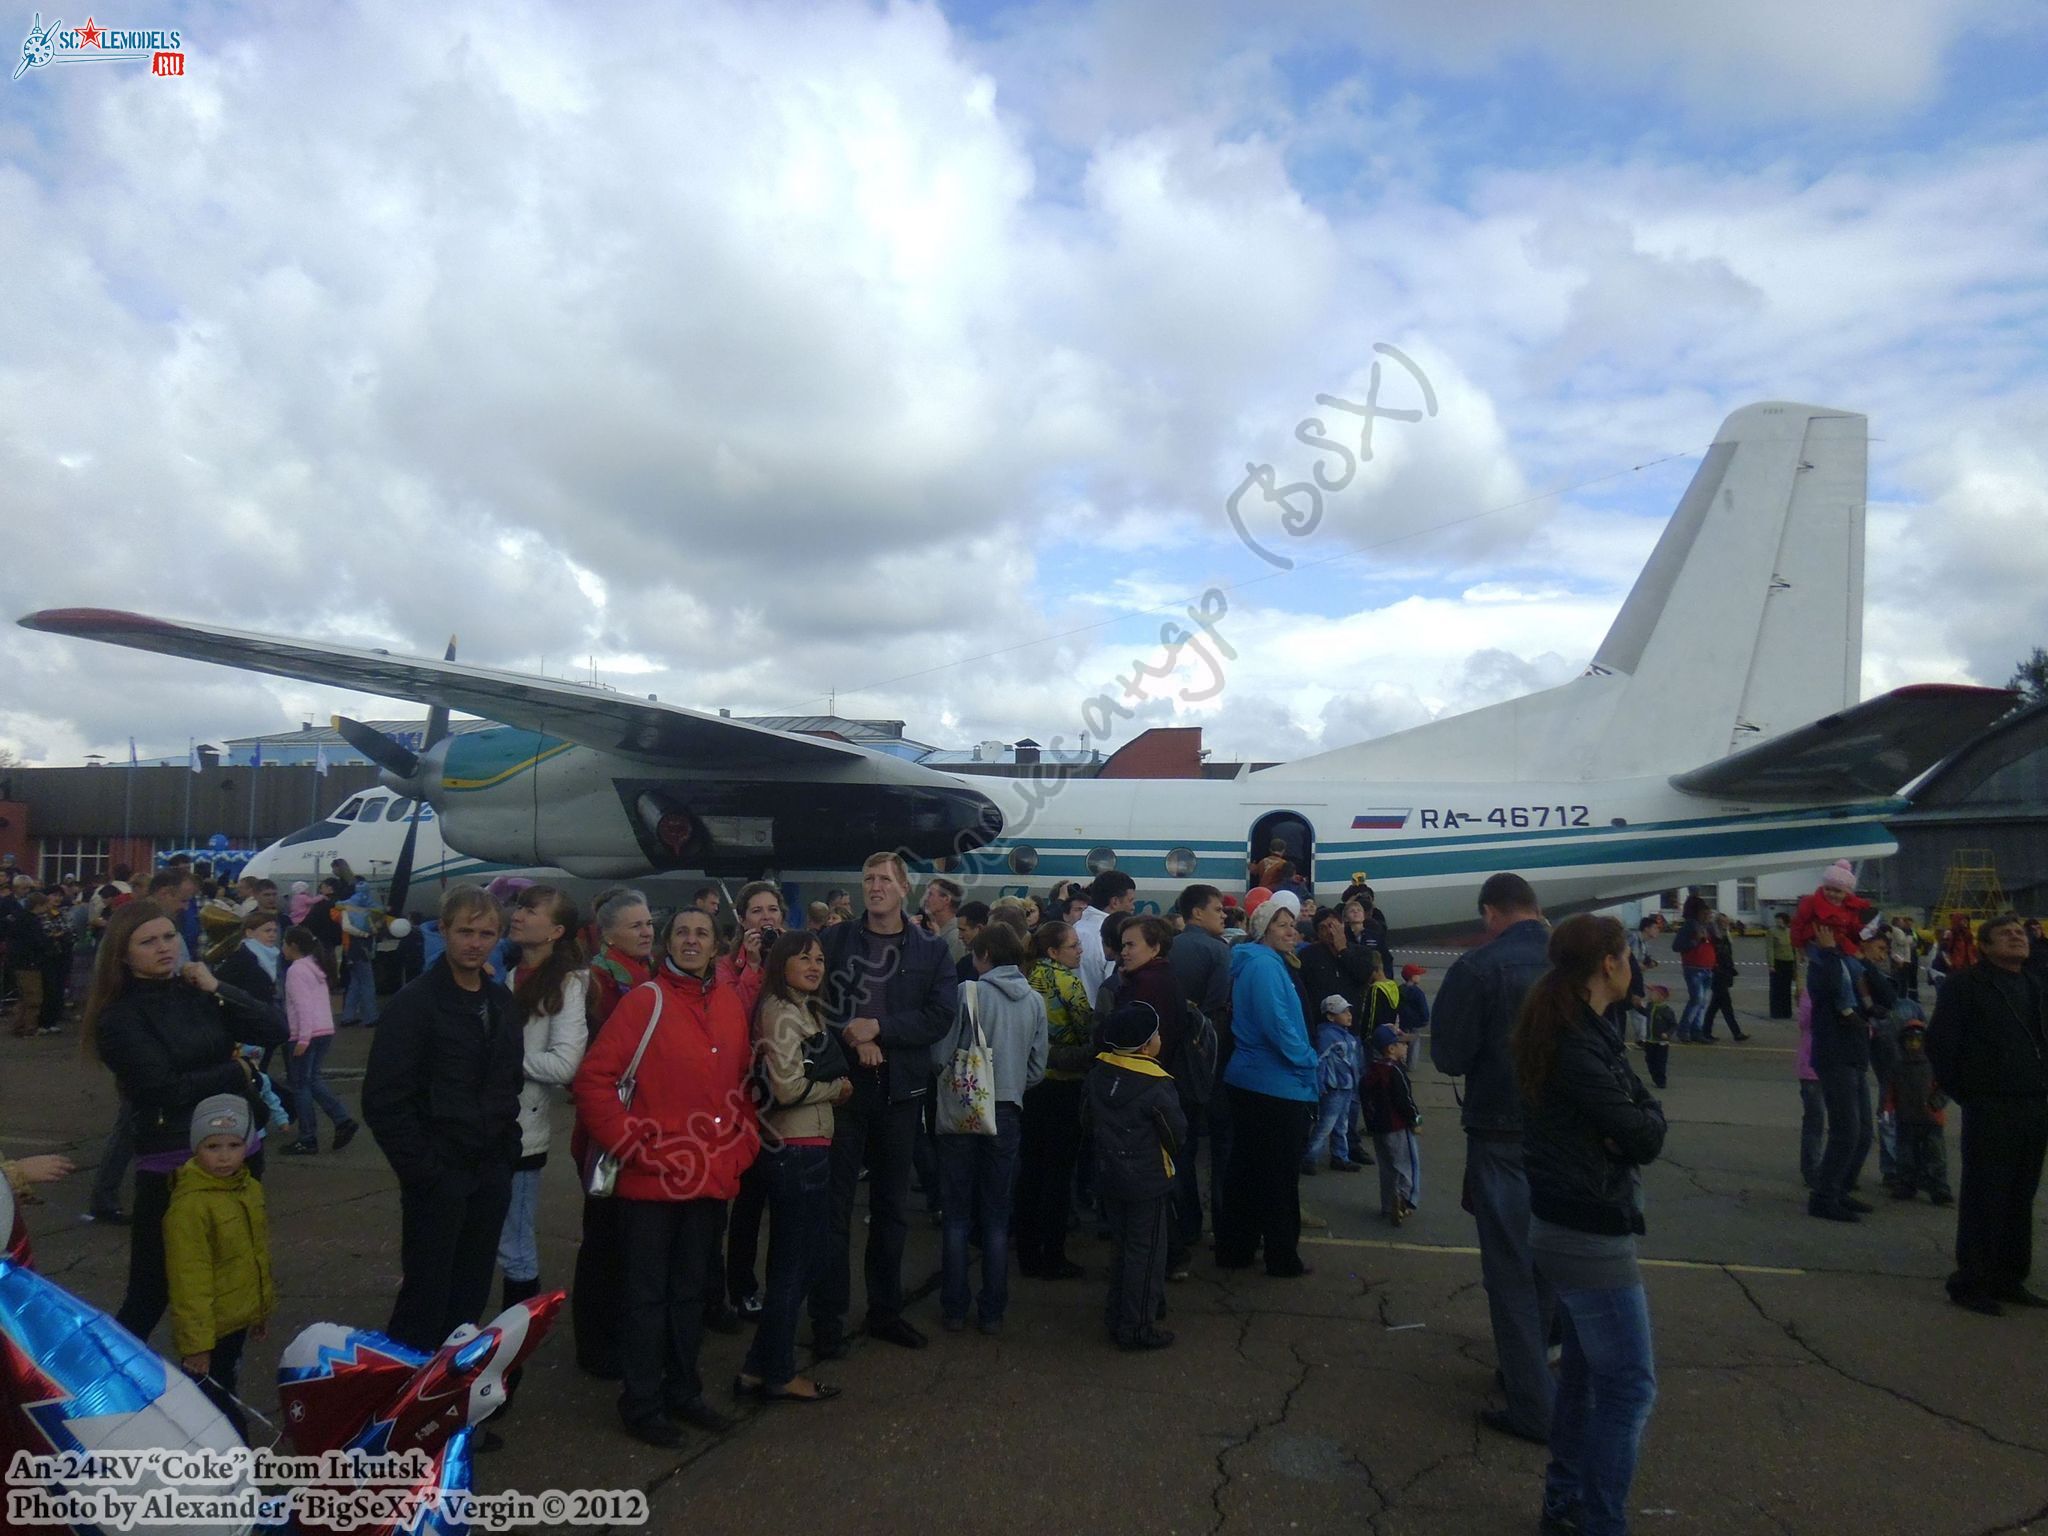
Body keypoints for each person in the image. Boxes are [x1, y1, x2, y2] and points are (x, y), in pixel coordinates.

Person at [572, 906, 758, 1446]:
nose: (693, 940)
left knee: (688, 1296)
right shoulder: (643, 1002)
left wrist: (740, 1147)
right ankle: (642, 1400)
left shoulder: (726, 1003)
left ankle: (683, 1390)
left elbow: (742, 1088)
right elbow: (594, 1081)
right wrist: (631, 1144)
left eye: (702, 932)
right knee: (647, 1296)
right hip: (652, 1182)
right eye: (683, 932)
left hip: (709, 1178)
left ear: (717, 945)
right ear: (668, 943)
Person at [1511, 914, 1665, 1536]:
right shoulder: (1577, 1041)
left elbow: (1630, 1116)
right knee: (1629, 1386)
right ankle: (1599, 1521)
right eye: (1628, 955)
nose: (1633, 967)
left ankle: (1564, 1501)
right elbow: (1642, 1131)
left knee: (1583, 1378)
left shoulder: (1578, 1027)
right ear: (1608, 963)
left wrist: (1635, 1116)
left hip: (1568, 1220)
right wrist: (1642, 1116)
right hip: (1587, 1231)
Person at [84, 901, 285, 1342]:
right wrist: (239, 1072)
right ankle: (112, 1387)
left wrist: (218, 987)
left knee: (232, 1283)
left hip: (239, 1151)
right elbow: (162, 1088)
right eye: (148, 941)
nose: (163, 948)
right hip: (174, 1163)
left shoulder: (197, 990)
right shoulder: (118, 1017)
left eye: (169, 936)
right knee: (152, 1288)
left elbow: (275, 1028)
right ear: (122, 954)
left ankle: (218, 1388)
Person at [361, 886, 524, 1354]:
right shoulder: (414, 1004)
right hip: (439, 1174)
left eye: (486, 933)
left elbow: (508, 1080)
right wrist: (425, 1172)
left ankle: (451, 1404)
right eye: (465, 932)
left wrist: (504, 1152)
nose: (475, 943)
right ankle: (404, 1407)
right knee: (425, 1300)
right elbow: (385, 1099)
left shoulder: (499, 1001)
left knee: (468, 1299)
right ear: (445, 931)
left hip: (489, 1171)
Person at [810, 852, 959, 1357]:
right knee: (833, 1211)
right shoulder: (832, 942)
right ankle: (827, 1320)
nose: (875, 887)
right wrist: (849, 1032)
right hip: (842, 1089)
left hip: (898, 1092)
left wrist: (882, 1030)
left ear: (904, 889)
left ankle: (885, 1312)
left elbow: (940, 1015)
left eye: (884, 880)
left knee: (891, 1208)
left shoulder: (930, 950)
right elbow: (807, 1004)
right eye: (868, 878)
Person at [1429, 871, 1555, 1445]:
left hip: (1501, 1133)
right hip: (1564, 1135)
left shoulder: (1478, 968)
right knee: (1551, 1260)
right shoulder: (1571, 963)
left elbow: (1450, 1057)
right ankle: (1535, 1368)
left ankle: (1532, 1405)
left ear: (1489, 912)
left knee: (1509, 1270)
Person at [735, 931, 851, 1404]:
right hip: (796, 1147)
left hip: (809, 1144)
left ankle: (758, 1367)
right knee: (795, 1263)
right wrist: (838, 1089)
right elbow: (787, 1088)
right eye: (803, 958)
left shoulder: (805, 1008)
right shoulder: (781, 1012)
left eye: (820, 959)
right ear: (781, 962)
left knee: (803, 1259)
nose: (814, 965)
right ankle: (779, 1372)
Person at [1927, 913, 2048, 1315]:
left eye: (2020, 933)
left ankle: (2009, 1277)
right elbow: (1941, 1045)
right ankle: (1971, 1282)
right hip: (1991, 1105)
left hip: (2033, 1103)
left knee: (2019, 1196)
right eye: (2006, 934)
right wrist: (1971, 1094)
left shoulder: (2033, 984)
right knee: (1985, 1196)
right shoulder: (1965, 985)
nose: (2017, 937)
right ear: (1984, 946)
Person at [934, 924, 1047, 1334]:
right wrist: (1011, 1083)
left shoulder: (969, 992)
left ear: (983, 955)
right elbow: (1037, 1068)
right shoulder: (1034, 1000)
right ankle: (993, 1311)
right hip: (1008, 1111)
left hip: (964, 1109)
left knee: (957, 1214)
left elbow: (942, 1053)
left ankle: (953, 1307)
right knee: (997, 1216)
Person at [572, 888, 657, 1378]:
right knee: (602, 1240)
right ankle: (595, 1343)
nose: (647, 931)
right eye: (636, 925)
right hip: (607, 1126)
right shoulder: (598, 982)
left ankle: (617, 1330)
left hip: (640, 1121)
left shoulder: (644, 974)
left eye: (648, 923)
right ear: (607, 934)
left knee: (627, 1237)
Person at [497, 886, 588, 1331]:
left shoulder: (567, 986)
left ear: (555, 930)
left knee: (515, 1243)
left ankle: (517, 1338)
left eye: (530, 910)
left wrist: (502, 1059)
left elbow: (565, 1063)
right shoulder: (506, 974)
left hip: (523, 1132)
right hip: (486, 1124)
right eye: (519, 907)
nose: (518, 915)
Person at [1215, 890, 1317, 1278]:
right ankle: (1281, 1255)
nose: (1291, 931)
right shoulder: (1264, 966)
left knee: (1249, 1169)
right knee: (1277, 1174)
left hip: (1260, 1080)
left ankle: (1237, 1247)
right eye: (1282, 924)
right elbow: (1279, 1025)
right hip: (1274, 1084)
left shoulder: (1264, 962)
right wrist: (1308, 1061)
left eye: (1293, 924)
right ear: (1263, 929)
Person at [164, 1094, 274, 1443]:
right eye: (212, 1146)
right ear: (196, 1147)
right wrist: (196, 1345)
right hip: (209, 1328)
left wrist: (258, 1311)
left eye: (234, 1144)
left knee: (225, 1383)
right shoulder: (191, 1206)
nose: (224, 1155)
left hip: (235, 1318)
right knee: (213, 1400)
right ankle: (229, 1456)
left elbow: (255, 1256)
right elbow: (188, 1281)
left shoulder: (248, 1189)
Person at [1089, 1000, 1185, 1351]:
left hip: (1109, 1172)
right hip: (1147, 1179)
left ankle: (1117, 1314)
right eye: (1157, 1033)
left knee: (1121, 1247)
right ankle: (1138, 1325)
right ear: (1146, 1045)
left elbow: (1087, 1120)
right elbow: (1175, 1134)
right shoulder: (1157, 1085)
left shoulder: (1099, 1073)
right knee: (1147, 1253)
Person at [717, 881, 787, 1325]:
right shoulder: (727, 967)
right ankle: (740, 1286)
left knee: (783, 1203)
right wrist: (754, 967)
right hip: (745, 1097)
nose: (767, 917)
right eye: (757, 910)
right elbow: (736, 1021)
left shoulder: (797, 955)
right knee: (746, 1201)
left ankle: (781, 1287)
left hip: (786, 1094)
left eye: (773, 909)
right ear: (743, 919)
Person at [1019, 920, 1094, 1280]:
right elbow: (1087, 1031)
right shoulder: (1068, 982)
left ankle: (1026, 1250)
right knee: (1059, 1172)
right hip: (1064, 1085)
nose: (1080, 951)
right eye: (1074, 946)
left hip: (1030, 1084)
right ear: (1053, 952)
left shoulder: (1025, 977)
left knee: (1030, 1168)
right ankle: (1053, 1253)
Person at [1170, 884, 1233, 1253]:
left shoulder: (1170, 945)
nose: (1223, 915)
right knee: (1219, 1146)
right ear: (1197, 913)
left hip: (1172, 1058)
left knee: (1181, 1147)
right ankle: (1220, 1226)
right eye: (1217, 909)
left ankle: (1186, 1223)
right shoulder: (1217, 950)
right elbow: (1216, 1008)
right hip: (1208, 1059)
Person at [1804, 921, 1874, 1223]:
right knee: (1846, 1130)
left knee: (1863, 1133)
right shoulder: (1822, 965)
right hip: (1835, 1055)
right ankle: (1824, 1196)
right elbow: (1830, 990)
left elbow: (1882, 996)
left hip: (1855, 1054)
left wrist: (1864, 960)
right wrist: (1830, 952)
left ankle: (1839, 1188)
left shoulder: (1855, 967)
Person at [279, 926, 358, 1154]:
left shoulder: (296, 970)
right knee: (313, 1079)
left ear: (293, 946)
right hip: (324, 1030)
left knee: (301, 1085)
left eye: (284, 943)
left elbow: (302, 1006)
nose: (282, 948)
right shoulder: (316, 967)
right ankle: (341, 1119)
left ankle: (308, 1137)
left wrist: (302, 1038)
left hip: (307, 1033)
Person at [1360, 1023, 1422, 1222]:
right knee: (1406, 1164)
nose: (1406, 1047)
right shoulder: (1395, 1071)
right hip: (1398, 1126)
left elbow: (1365, 1097)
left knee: (1387, 1168)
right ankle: (1404, 1199)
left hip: (1379, 1127)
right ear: (1391, 1048)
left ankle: (1388, 1204)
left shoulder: (1371, 1071)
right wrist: (1415, 1119)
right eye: (1402, 1044)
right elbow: (1404, 1100)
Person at [1885, 1020, 1951, 1203]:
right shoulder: (1898, 1066)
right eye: (1910, 1040)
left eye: (1917, 1040)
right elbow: (1891, 1090)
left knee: (1935, 1156)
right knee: (1906, 1156)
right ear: (1903, 1042)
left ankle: (1939, 1187)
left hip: (1930, 1118)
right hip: (1906, 1118)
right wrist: (1887, 1109)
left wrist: (1936, 1103)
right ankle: (1907, 1184)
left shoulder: (1933, 1064)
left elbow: (1944, 1087)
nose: (1913, 1044)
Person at [1304, 995, 1363, 1174]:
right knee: (1326, 1125)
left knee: (1341, 1124)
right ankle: (1309, 1158)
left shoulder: (1345, 1036)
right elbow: (1320, 1061)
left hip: (1346, 1086)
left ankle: (1340, 1156)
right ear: (1330, 1016)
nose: (1349, 1015)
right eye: (1343, 1012)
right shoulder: (1328, 1036)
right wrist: (1319, 1084)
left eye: (1348, 1011)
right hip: (1334, 1087)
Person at [1074, 871, 1138, 1010]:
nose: (1133, 907)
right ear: (1114, 902)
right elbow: (1114, 986)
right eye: (1130, 900)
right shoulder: (1113, 936)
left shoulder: (1074, 929)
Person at [1671, 896, 1717, 1044]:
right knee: (1697, 999)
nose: (1708, 916)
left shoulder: (1706, 926)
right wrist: (1695, 941)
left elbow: (1717, 939)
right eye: (1705, 913)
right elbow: (1676, 946)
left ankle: (1696, 1030)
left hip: (1706, 967)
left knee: (1703, 1002)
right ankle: (1684, 1029)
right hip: (1694, 967)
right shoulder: (1690, 926)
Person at [338, 878, 380, 1027]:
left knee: (355, 983)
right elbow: (369, 929)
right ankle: (371, 1016)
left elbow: (346, 927)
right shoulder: (365, 910)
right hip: (362, 950)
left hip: (351, 951)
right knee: (368, 984)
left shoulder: (345, 908)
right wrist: (366, 933)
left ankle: (348, 1016)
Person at [1706, 914, 1751, 1042]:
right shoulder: (1717, 938)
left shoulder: (1724, 937)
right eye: (1723, 922)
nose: (1726, 924)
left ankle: (1706, 1031)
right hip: (1720, 974)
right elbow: (1721, 956)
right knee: (1724, 1006)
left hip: (1723, 973)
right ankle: (1736, 1033)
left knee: (1715, 1007)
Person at [921, 876, 966, 964]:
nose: (925, 899)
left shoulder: (956, 936)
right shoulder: (933, 932)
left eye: (930, 894)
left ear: (946, 899)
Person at [1767, 913, 1797, 1018]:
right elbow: (1770, 948)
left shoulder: (1790, 931)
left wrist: (1795, 964)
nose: (1778, 922)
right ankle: (1776, 1012)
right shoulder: (1772, 932)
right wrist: (1771, 964)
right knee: (1776, 989)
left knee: (1786, 988)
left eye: (1780, 919)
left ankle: (1786, 1012)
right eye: (1777, 920)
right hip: (1777, 962)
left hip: (1788, 962)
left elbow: (1794, 948)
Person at [1397, 964, 1431, 1033]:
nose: (1420, 976)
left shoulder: (1399, 989)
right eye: (1418, 974)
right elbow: (1425, 1014)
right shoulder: (1418, 993)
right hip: (1414, 1026)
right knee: (1414, 1042)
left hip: (1401, 1025)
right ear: (1412, 977)